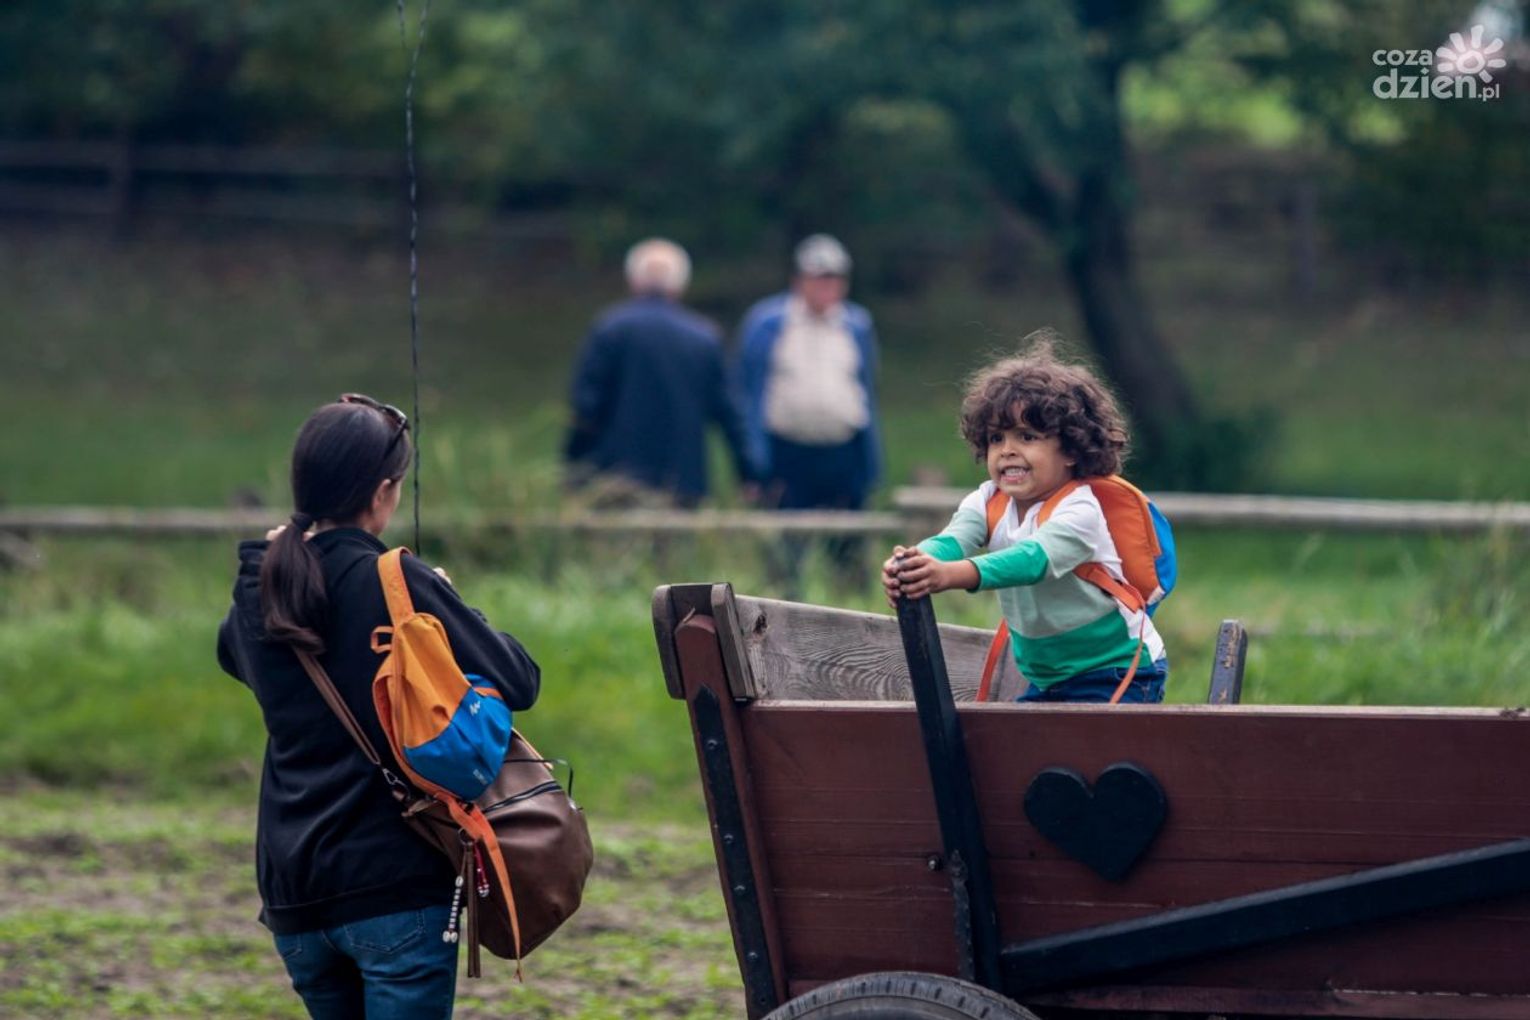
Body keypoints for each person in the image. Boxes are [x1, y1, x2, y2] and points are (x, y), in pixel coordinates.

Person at [216, 394, 540, 1019]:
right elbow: (520, 679)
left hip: (293, 890)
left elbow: (234, 656)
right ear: (382, 493)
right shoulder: (397, 582)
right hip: (393, 885)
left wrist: (262, 562)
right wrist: (449, 600)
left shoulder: (262, 590)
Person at [881, 340, 1169, 703]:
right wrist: (914, 563)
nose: (1007, 450)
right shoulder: (988, 499)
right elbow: (953, 540)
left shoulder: (1080, 510)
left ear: (1070, 450)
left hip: (1117, 670)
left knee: (1073, 744)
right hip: (1047, 677)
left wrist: (950, 575)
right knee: (1021, 742)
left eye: (1027, 437)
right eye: (996, 438)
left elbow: (1032, 560)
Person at [564, 237, 761, 507]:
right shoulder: (703, 338)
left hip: (616, 481)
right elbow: (729, 413)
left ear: (633, 280)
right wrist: (748, 472)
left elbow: (586, 407)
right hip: (683, 483)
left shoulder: (610, 330)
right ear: (680, 284)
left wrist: (573, 466)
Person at [737, 234, 882, 583]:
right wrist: (753, 460)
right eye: (818, 279)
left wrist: (869, 459)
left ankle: (848, 606)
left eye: (834, 279)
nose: (826, 288)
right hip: (789, 451)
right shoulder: (769, 323)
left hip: (842, 450)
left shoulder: (856, 324)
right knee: (786, 551)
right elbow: (746, 389)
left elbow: (866, 387)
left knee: (848, 550)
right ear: (799, 281)